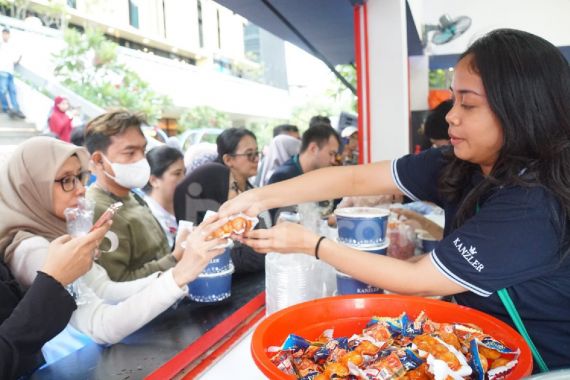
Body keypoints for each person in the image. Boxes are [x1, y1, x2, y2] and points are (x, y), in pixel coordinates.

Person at [220, 29, 570, 369]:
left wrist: (312, 244)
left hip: (538, 362)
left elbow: (417, 278)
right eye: (453, 99)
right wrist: (259, 197)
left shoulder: (533, 205)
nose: (451, 115)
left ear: (522, 110)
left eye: (469, 104)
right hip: (479, 343)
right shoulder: (462, 162)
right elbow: (356, 177)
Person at [0, 137, 228, 361]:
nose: (80, 189)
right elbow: (100, 326)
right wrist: (178, 276)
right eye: (66, 180)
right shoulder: (33, 249)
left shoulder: (54, 231)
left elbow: (104, 289)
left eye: (79, 177)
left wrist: (171, 278)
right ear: (31, 187)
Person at [0, 223, 109, 378]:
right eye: (65, 195)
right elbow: (100, 324)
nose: (79, 196)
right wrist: (54, 279)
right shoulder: (30, 247)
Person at [84, 110, 179, 281]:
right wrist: (175, 258)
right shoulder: (98, 211)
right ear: (99, 160)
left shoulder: (133, 195)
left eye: (143, 150)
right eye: (130, 153)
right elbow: (117, 282)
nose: (141, 160)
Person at [174, 128, 266, 274]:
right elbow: (255, 256)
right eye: (249, 154)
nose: (256, 159)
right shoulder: (204, 245)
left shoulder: (248, 190)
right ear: (228, 159)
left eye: (257, 153)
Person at [267, 124, 340, 221]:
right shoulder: (283, 178)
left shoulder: (323, 174)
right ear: (313, 148)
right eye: (331, 154)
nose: (333, 160)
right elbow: (278, 221)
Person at [143, 145, 185, 249]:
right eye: (177, 174)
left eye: (184, 173)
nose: (184, 179)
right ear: (154, 180)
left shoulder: (185, 206)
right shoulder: (146, 216)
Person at [0, 28, 25, 119]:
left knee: (13, 91)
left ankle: (15, 109)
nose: (5, 35)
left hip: (10, 70)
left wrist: (17, 60)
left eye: (7, 34)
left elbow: (19, 55)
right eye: (4, 34)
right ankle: (5, 107)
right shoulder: (1, 44)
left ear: (9, 35)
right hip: (2, 70)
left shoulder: (12, 46)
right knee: (2, 90)